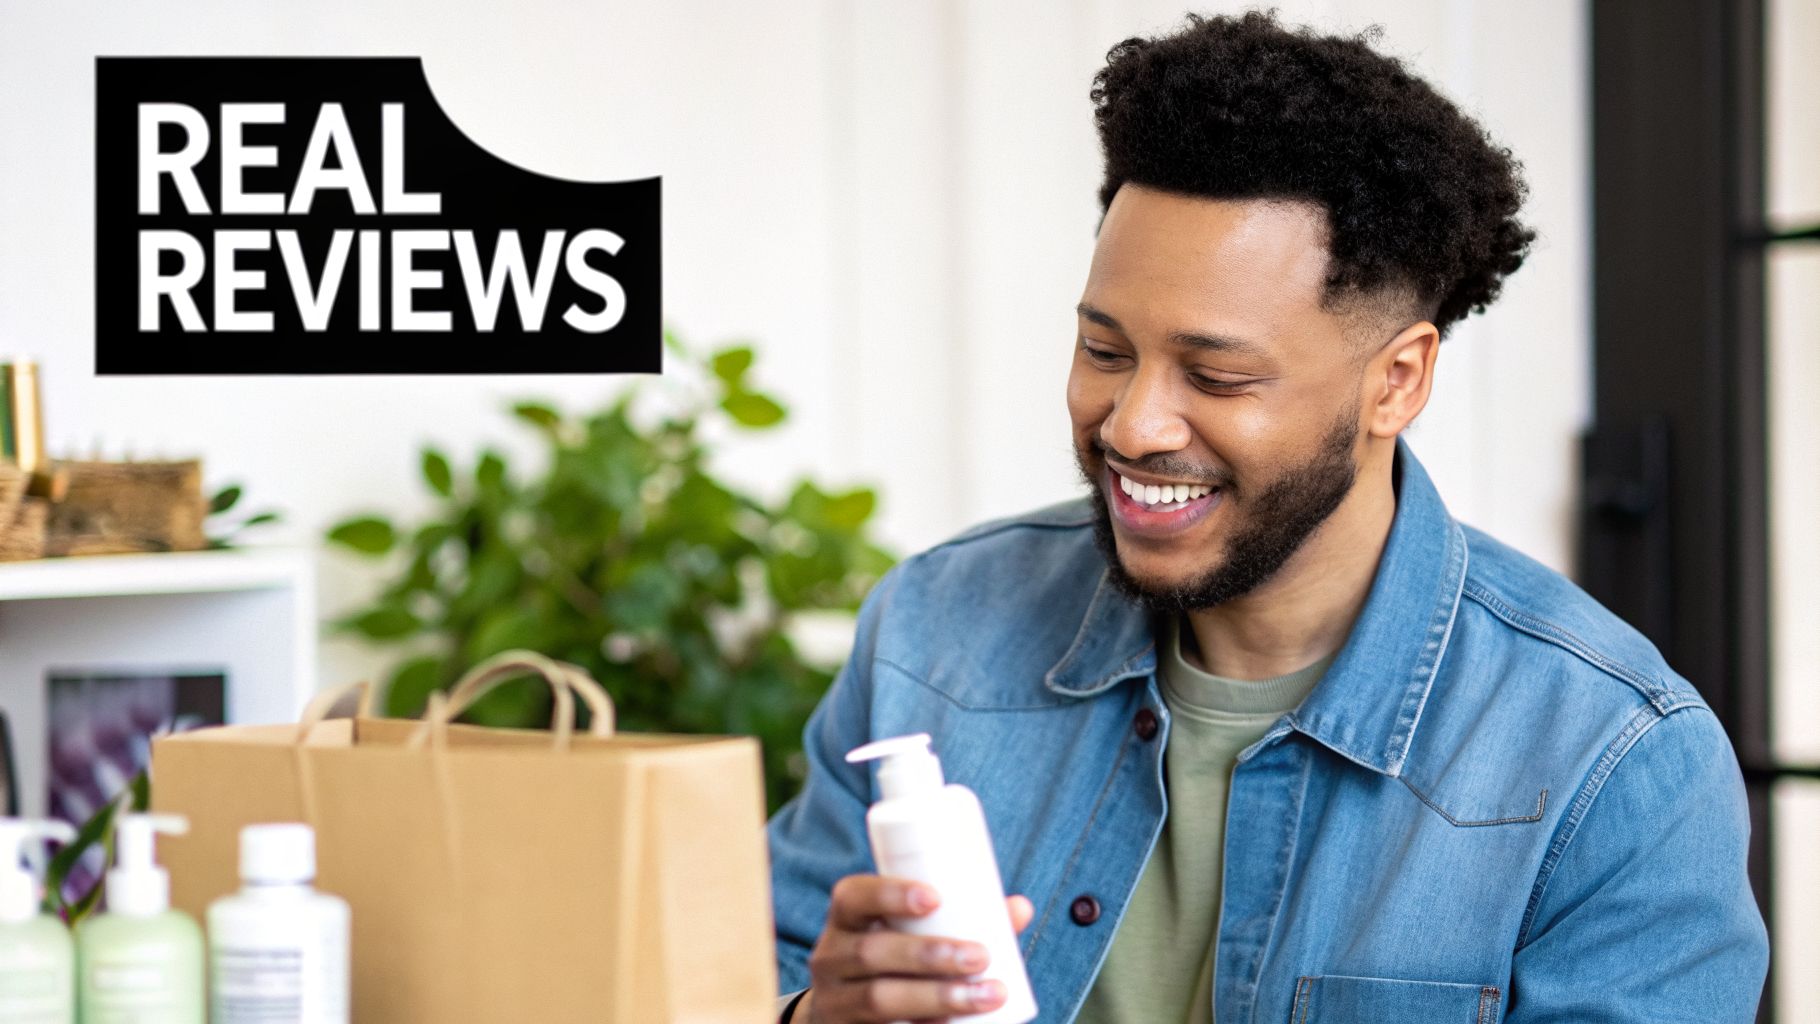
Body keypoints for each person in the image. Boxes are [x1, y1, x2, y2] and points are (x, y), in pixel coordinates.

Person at [766, 10, 1770, 1023]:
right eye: (1104, 350)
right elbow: (742, 973)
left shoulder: (1609, 762)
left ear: (1395, 381)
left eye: (1216, 373)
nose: (1132, 423)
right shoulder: (934, 633)